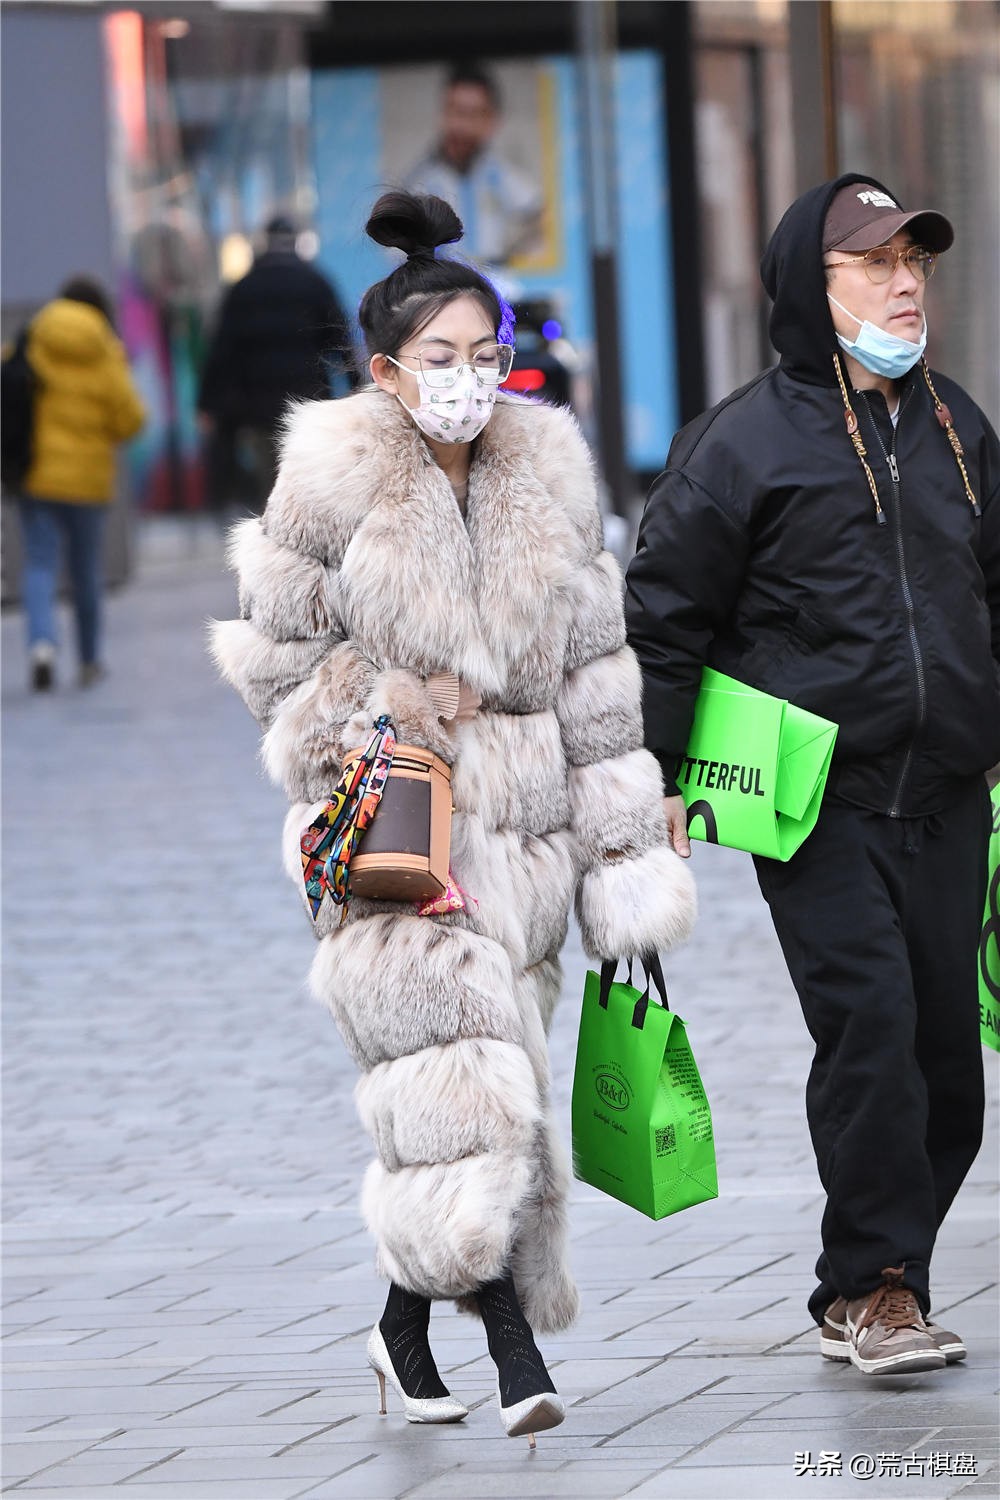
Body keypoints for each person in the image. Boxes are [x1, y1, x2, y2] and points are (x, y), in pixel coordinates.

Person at [211, 190, 696, 1440]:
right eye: (442, 359)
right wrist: (389, 698)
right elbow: (270, 663)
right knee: (467, 1091)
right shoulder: (327, 481)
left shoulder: (549, 477)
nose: (471, 380)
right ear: (386, 370)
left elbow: (599, 688)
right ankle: (519, 1360)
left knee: (488, 1103)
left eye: (488, 356)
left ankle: (402, 1325)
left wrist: (624, 872)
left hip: (525, 851)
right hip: (393, 847)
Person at [626, 174, 1000, 1378]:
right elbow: (665, 616)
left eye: (914, 264)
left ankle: (865, 1278)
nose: (903, 283)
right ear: (809, 283)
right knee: (872, 1031)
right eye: (873, 263)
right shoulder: (743, 441)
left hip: (947, 795)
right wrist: (658, 776)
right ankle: (879, 1288)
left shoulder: (957, 427)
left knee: (947, 1065)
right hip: (811, 801)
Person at [16, 276, 145, 690]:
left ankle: (42, 644)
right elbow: (130, 420)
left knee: (39, 562)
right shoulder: (105, 351)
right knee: (85, 570)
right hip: (88, 482)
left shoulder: (32, 341)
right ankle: (89, 660)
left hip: (36, 476)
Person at [197, 216, 355, 515]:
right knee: (308, 476)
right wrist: (356, 387)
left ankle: (277, 538)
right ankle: (309, 536)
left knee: (270, 481)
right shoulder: (316, 283)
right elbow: (340, 341)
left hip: (258, 408)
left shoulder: (243, 288)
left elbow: (221, 350)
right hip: (307, 401)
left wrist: (208, 402)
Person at [404, 64, 543, 266]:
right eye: (456, 111)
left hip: (494, 287)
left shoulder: (503, 176)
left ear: (491, 120)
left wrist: (511, 255)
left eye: (473, 114)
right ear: (442, 114)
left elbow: (538, 215)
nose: (462, 125)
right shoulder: (419, 182)